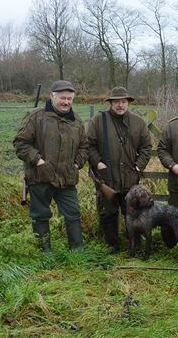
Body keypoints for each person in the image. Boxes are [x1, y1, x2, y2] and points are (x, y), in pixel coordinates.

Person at [14, 80, 88, 252]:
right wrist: (39, 162)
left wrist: (77, 164)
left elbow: (84, 147)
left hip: (67, 178)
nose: (66, 102)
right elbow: (20, 144)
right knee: (40, 216)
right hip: (40, 177)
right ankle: (44, 253)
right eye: (63, 98)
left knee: (73, 214)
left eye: (70, 99)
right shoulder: (36, 116)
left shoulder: (76, 120)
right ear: (52, 96)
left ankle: (78, 252)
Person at [86, 86, 152, 253]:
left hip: (131, 177)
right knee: (108, 213)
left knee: (133, 213)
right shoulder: (98, 121)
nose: (120, 105)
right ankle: (112, 245)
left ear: (128, 103)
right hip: (107, 177)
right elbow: (89, 145)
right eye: (116, 102)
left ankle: (133, 245)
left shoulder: (138, 122)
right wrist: (98, 162)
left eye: (123, 101)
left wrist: (139, 166)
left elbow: (146, 147)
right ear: (111, 103)